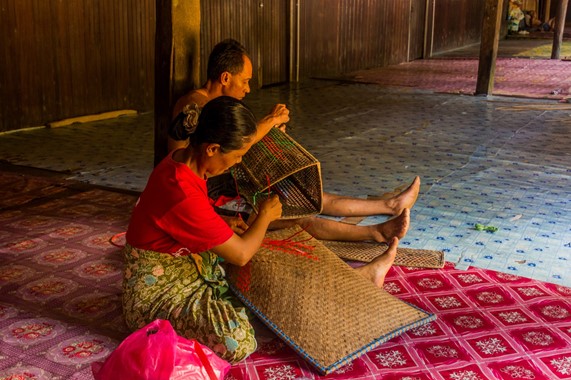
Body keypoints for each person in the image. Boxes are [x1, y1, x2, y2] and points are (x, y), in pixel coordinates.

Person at [123, 96, 401, 363]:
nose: (239, 162)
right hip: (159, 294)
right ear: (212, 148)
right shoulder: (180, 190)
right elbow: (241, 254)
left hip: (188, 264)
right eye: (238, 155)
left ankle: (358, 278)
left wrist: (271, 120)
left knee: (270, 259)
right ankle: (352, 283)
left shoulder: (183, 158)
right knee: (238, 338)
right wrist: (264, 216)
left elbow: (238, 148)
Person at [170, 39, 421, 243]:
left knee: (307, 195)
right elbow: (239, 144)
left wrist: (274, 130)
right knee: (297, 215)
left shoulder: (222, 108)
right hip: (208, 193)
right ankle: (376, 232)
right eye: (245, 81)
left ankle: (391, 204)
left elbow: (239, 146)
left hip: (224, 181)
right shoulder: (197, 104)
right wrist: (268, 121)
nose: (247, 89)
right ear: (225, 78)